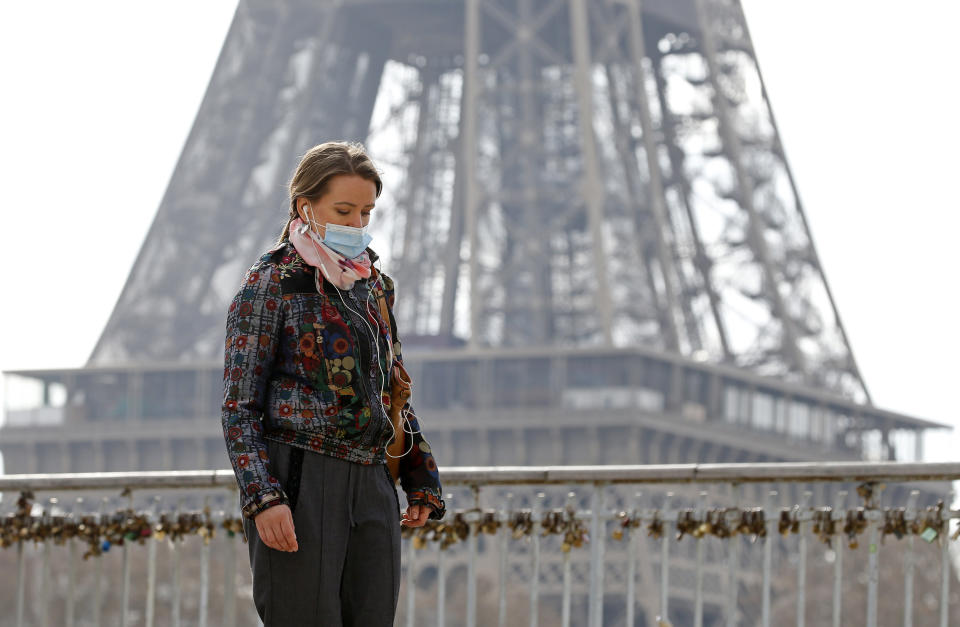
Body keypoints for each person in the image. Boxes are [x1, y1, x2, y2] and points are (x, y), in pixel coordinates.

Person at [221, 141, 445, 626]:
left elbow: (392, 389)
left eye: (366, 212)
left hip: (371, 483)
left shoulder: (375, 287)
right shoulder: (269, 284)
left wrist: (420, 476)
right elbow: (239, 406)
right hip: (301, 480)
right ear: (307, 206)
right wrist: (265, 499)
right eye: (344, 210)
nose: (357, 224)